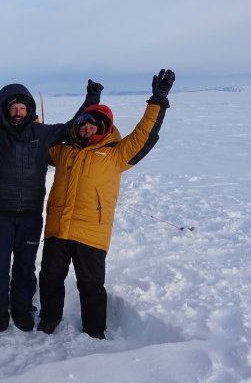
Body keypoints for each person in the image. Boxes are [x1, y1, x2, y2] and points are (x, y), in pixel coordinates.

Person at [0, 78, 101, 332]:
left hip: (31, 215)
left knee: (25, 265)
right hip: (0, 213)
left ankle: (22, 308)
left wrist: (91, 100)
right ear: (4, 110)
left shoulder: (43, 134)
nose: (18, 113)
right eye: (12, 109)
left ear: (29, 109)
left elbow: (72, 126)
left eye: (22, 108)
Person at [38, 69, 175, 339]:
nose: (86, 127)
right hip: (57, 227)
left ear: (104, 128)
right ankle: (49, 319)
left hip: (91, 230)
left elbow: (143, 135)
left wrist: (157, 101)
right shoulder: (64, 150)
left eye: (93, 124)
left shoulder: (115, 154)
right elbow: (32, 144)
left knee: (90, 284)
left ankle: (94, 328)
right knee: (50, 278)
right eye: (83, 123)